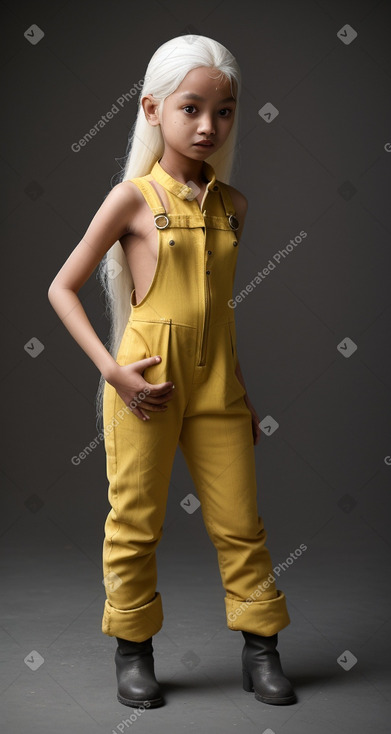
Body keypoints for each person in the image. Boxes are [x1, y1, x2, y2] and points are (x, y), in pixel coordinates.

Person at [48, 34, 297, 710]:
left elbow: (219, 311)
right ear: (153, 110)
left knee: (241, 525)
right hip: (143, 385)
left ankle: (261, 649)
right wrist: (112, 373)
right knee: (134, 522)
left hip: (219, 385)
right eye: (191, 108)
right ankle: (133, 653)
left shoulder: (233, 208)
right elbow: (61, 288)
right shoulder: (130, 199)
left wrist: (241, 393)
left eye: (223, 111)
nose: (208, 126)